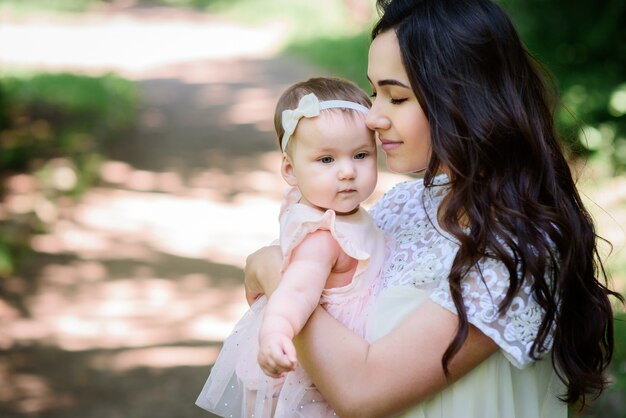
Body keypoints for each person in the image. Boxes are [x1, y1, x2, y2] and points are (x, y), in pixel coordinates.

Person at [244, 0, 624, 417]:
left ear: (460, 98)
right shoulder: (398, 207)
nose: (372, 117)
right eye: (374, 93)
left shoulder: (515, 246)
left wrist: (272, 269)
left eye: (396, 97)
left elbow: (362, 388)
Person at [196, 77, 386, 417]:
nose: (346, 172)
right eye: (326, 160)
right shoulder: (324, 235)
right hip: (312, 379)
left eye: (360, 155)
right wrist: (277, 331)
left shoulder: (328, 209)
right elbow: (297, 289)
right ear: (289, 169)